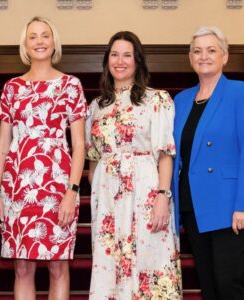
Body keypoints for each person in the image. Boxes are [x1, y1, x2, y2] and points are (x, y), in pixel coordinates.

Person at [0, 16, 87, 300]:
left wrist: (73, 190)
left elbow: (79, 144)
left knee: (58, 267)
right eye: (33, 36)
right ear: (25, 44)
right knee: (22, 268)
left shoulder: (71, 85)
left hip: (58, 186)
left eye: (45, 35)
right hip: (17, 186)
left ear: (54, 42)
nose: (40, 41)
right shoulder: (11, 87)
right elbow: (3, 143)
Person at [172, 26, 244, 300]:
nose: (204, 56)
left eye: (211, 50)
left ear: (225, 56)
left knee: (229, 283)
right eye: (197, 51)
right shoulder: (181, 100)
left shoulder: (239, 92)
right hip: (193, 206)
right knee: (209, 286)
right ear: (190, 58)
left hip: (231, 205)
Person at [86, 31, 182, 299]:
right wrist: (100, 193)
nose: (120, 61)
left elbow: (165, 153)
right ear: (106, 61)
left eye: (127, 55)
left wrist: (162, 196)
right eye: (114, 55)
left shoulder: (157, 100)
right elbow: (93, 159)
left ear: (138, 61)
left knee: (150, 262)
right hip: (107, 199)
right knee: (110, 266)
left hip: (145, 192)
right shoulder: (96, 107)